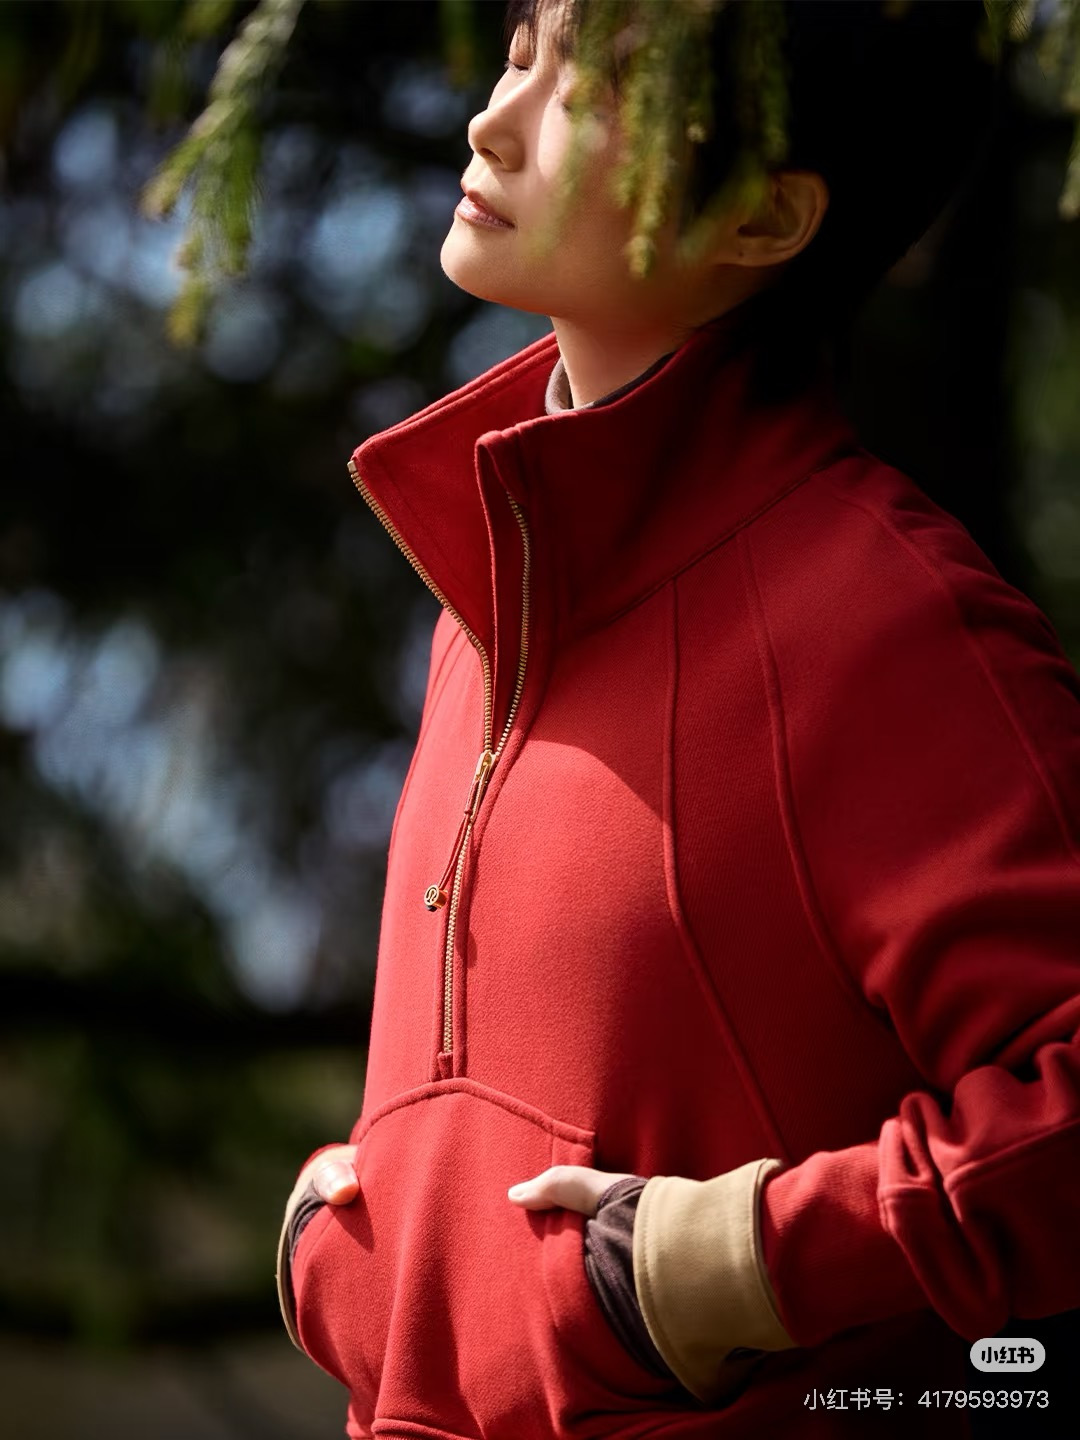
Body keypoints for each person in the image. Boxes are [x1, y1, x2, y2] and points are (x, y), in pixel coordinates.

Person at [276, 2, 1080, 1436]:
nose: (493, 121)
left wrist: (723, 1270)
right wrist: (344, 1244)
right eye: (519, 48)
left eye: (591, 88)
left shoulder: (881, 613)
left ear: (762, 219)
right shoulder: (484, 609)